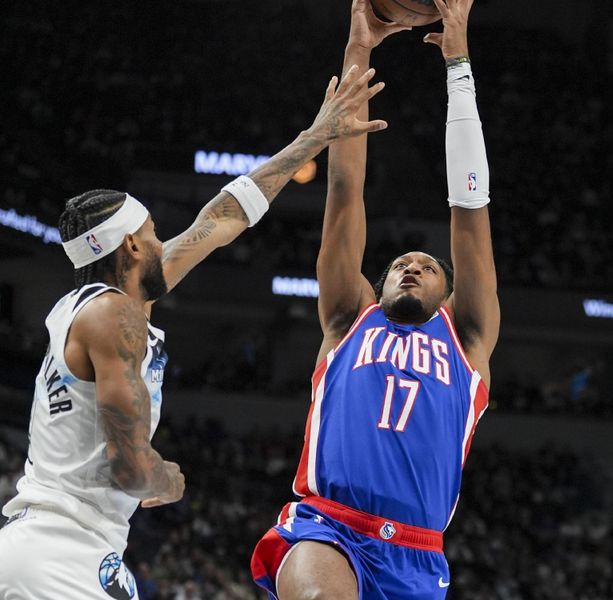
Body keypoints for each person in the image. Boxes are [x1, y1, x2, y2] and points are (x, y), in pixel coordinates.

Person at [0, 65, 387, 600]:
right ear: (132, 247)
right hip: (61, 554)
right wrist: (166, 477)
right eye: (153, 232)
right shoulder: (115, 318)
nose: (164, 241)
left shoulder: (107, 303)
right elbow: (131, 471)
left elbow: (222, 218)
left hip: (58, 547)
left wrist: (314, 137)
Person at [251, 1, 499, 598]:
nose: (410, 266)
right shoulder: (347, 318)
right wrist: (358, 49)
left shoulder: (466, 340)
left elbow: (470, 207)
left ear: (449, 294)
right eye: (397, 265)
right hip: (328, 527)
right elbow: (344, 187)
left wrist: (458, 64)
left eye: (426, 266)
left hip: (417, 555)